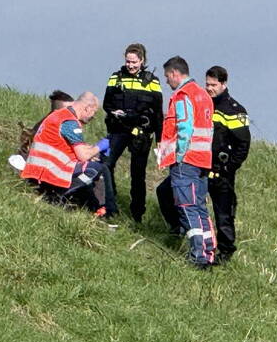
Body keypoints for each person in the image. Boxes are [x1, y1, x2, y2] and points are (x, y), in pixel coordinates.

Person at [155, 56, 217, 268]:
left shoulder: (182, 95)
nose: (167, 82)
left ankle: (198, 256)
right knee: (200, 208)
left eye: (167, 77)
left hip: (187, 160)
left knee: (187, 206)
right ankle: (209, 251)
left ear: (174, 73)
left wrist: (179, 156)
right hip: (203, 160)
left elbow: (185, 128)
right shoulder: (204, 95)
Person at [20, 92, 117, 216]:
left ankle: (91, 205)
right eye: (94, 112)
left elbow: (67, 147)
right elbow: (83, 155)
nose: (93, 117)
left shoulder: (59, 115)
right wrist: (101, 146)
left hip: (37, 169)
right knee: (97, 169)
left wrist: (91, 151)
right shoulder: (69, 122)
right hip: (48, 173)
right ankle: (56, 196)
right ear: (87, 108)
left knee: (89, 166)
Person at [102, 43, 163, 223]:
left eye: (134, 62)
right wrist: (115, 112)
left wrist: (160, 139)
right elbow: (106, 104)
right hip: (118, 130)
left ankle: (137, 214)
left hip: (140, 133)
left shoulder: (152, 81)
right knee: (106, 163)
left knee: (138, 174)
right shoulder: (116, 77)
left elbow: (158, 112)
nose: (130, 65)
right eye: (128, 61)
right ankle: (109, 204)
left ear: (142, 60)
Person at [204, 66, 251, 263]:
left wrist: (228, 168)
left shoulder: (234, 110)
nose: (209, 88)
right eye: (207, 84)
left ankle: (225, 253)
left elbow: (243, 145)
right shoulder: (202, 104)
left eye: (213, 85)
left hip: (222, 171)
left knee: (224, 213)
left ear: (224, 84)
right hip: (200, 166)